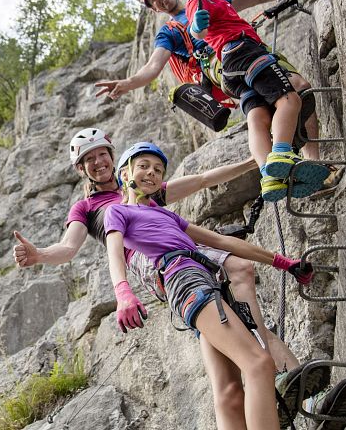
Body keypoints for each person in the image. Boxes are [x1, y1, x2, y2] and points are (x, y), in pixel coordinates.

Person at [13, 127, 329, 428]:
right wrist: (41, 255)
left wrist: (256, 160)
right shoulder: (93, 208)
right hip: (156, 261)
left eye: (102, 154)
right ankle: (264, 355)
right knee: (250, 352)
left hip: (185, 250)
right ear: (82, 169)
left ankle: (271, 354)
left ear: (113, 158)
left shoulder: (150, 193)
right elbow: (69, 248)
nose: (98, 162)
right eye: (89, 159)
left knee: (240, 275)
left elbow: (203, 181)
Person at [104, 142, 316, 430]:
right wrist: (122, 292)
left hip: (204, 280)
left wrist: (281, 262)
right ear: (125, 172)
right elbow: (114, 251)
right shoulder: (118, 212)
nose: (151, 173)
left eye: (157, 169)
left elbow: (222, 242)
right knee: (259, 364)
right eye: (143, 166)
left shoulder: (168, 216)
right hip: (186, 280)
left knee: (229, 393)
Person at [95, 0, 321, 162]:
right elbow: (153, 66)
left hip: (247, 55)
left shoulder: (211, 1)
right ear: (154, 9)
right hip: (227, 63)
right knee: (295, 89)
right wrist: (128, 83)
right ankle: (288, 154)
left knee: (278, 103)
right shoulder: (169, 32)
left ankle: (309, 163)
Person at [168, 0, 331, 202]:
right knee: (290, 98)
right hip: (244, 52)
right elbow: (198, 29)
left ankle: (270, 176)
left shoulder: (219, 1)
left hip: (231, 73)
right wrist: (197, 29)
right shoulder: (198, 4)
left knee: (258, 118)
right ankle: (281, 153)